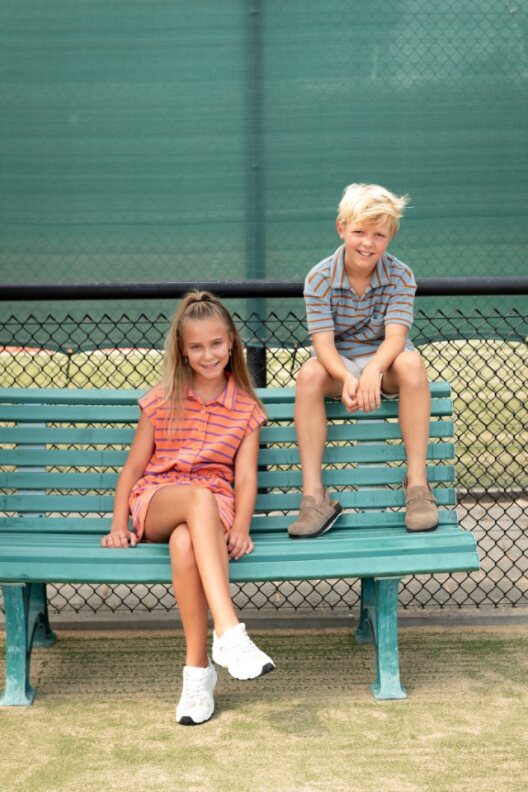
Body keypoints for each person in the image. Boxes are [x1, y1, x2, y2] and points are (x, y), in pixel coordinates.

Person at [101, 291, 275, 726]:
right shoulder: (162, 398)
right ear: (182, 349)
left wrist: (241, 526)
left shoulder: (246, 409)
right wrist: (119, 523)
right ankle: (230, 630)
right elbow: (133, 469)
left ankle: (197, 675)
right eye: (196, 346)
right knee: (195, 499)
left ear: (231, 342)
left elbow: (245, 479)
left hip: (214, 506)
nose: (208, 354)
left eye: (216, 344)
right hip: (159, 498)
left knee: (185, 543)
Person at [288, 183, 438, 539]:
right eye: (359, 232)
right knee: (308, 375)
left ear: (391, 236)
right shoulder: (319, 278)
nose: (367, 243)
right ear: (341, 228)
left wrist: (373, 370)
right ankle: (314, 496)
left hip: (384, 364)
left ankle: (417, 486)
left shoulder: (400, 275)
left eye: (378, 235)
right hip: (338, 365)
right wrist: (346, 377)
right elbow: (322, 345)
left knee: (413, 364)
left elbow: (396, 338)